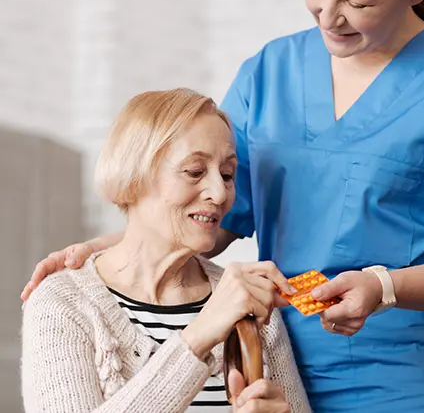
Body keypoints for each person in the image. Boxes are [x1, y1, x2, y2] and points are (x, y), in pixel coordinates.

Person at [22, 0, 424, 411]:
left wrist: (382, 287)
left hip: (409, 384)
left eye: (358, 4)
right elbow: (210, 214)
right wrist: (104, 251)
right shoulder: (270, 71)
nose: (328, 16)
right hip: (273, 362)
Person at [21, 88, 311, 413]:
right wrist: (198, 336)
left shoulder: (250, 305)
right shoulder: (61, 303)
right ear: (134, 176)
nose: (220, 193)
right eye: (194, 171)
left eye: (228, 174)